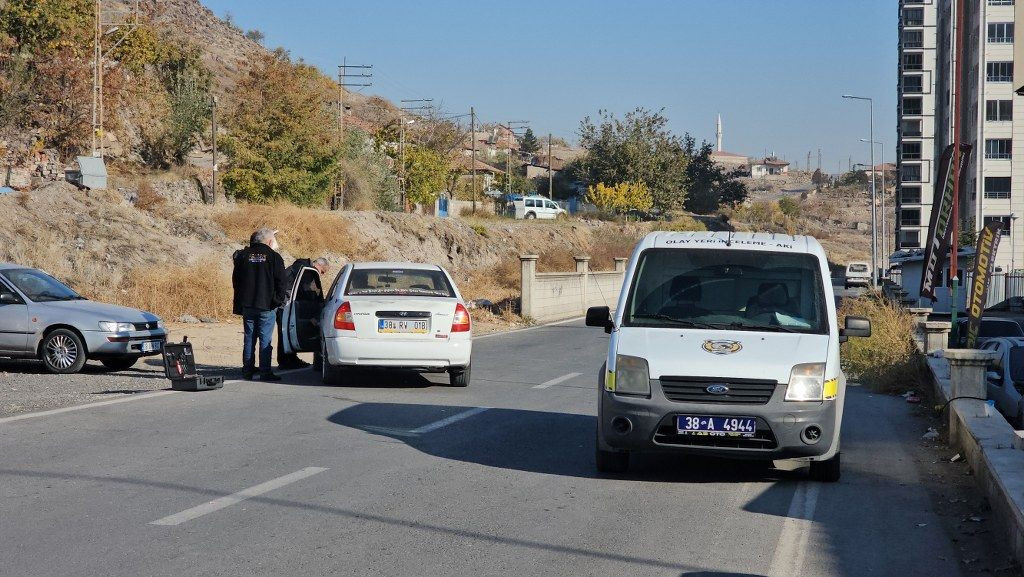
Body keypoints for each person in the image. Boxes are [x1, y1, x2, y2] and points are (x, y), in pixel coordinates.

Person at [232, 227, 287, 381]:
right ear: (269, 241)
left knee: (249, 338)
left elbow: (236, 280)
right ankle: (265, 372)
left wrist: (241, 300)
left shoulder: (243, 256)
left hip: (248, 304)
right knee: (265, 339)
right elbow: (282, 282)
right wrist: (277, 301)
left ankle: (247, 371)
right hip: (266, 305)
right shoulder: (274, 257)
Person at [277, 257, 329, 369]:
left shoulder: (301, 268)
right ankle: (285, 361)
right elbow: (308, 290)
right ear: (319, 265)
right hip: (285, 306)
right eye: (323, 271)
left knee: (286, 333)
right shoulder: (307, 271)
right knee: (285, 333)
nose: (322, 274)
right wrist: (318, 302)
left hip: (285, 305)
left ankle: (290, 358)